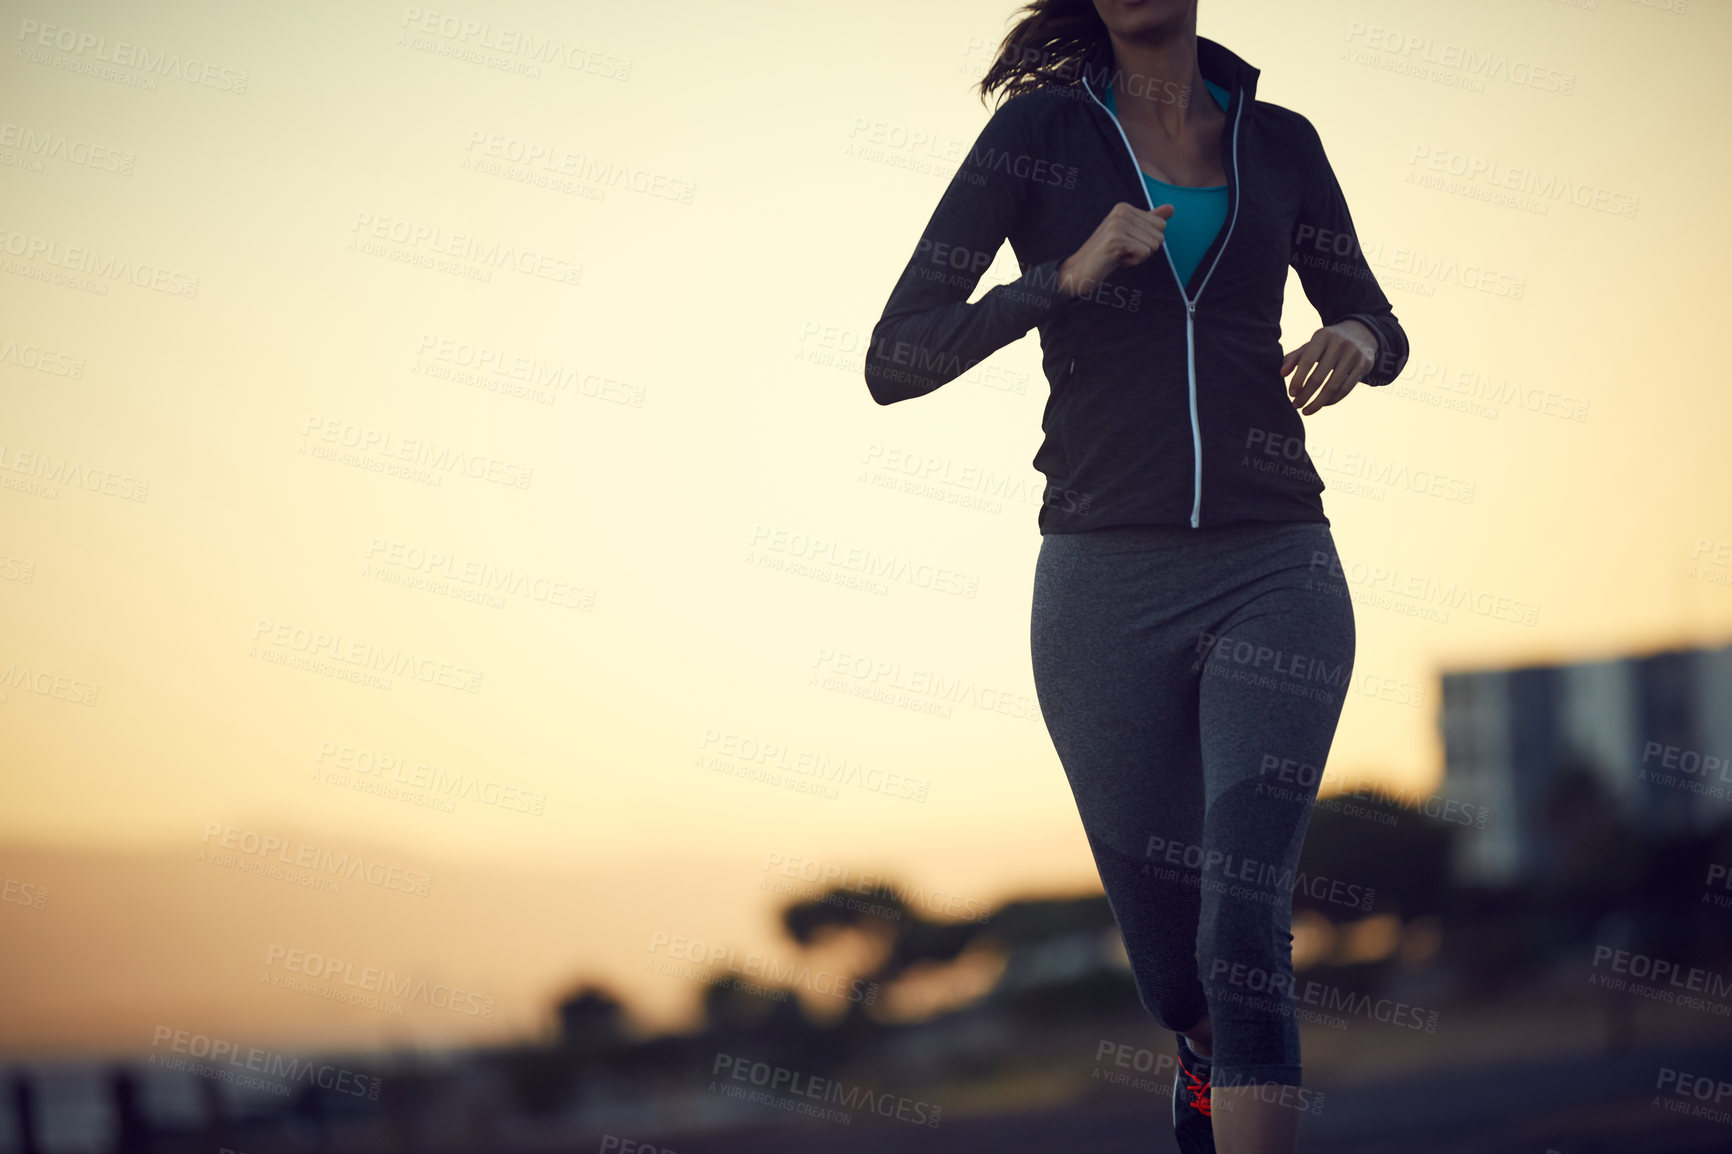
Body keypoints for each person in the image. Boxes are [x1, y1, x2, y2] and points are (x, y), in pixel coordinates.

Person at [862, 2, 1410, 1152]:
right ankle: (1200, 1059)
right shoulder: (1041, 135)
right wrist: (1060, 277)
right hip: (1102, 582)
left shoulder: (1280, 142)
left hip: (1277, 563)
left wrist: (1358, 337)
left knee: (1242, 925)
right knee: (1177, 968)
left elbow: (1374, 313)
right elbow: (895, 356)